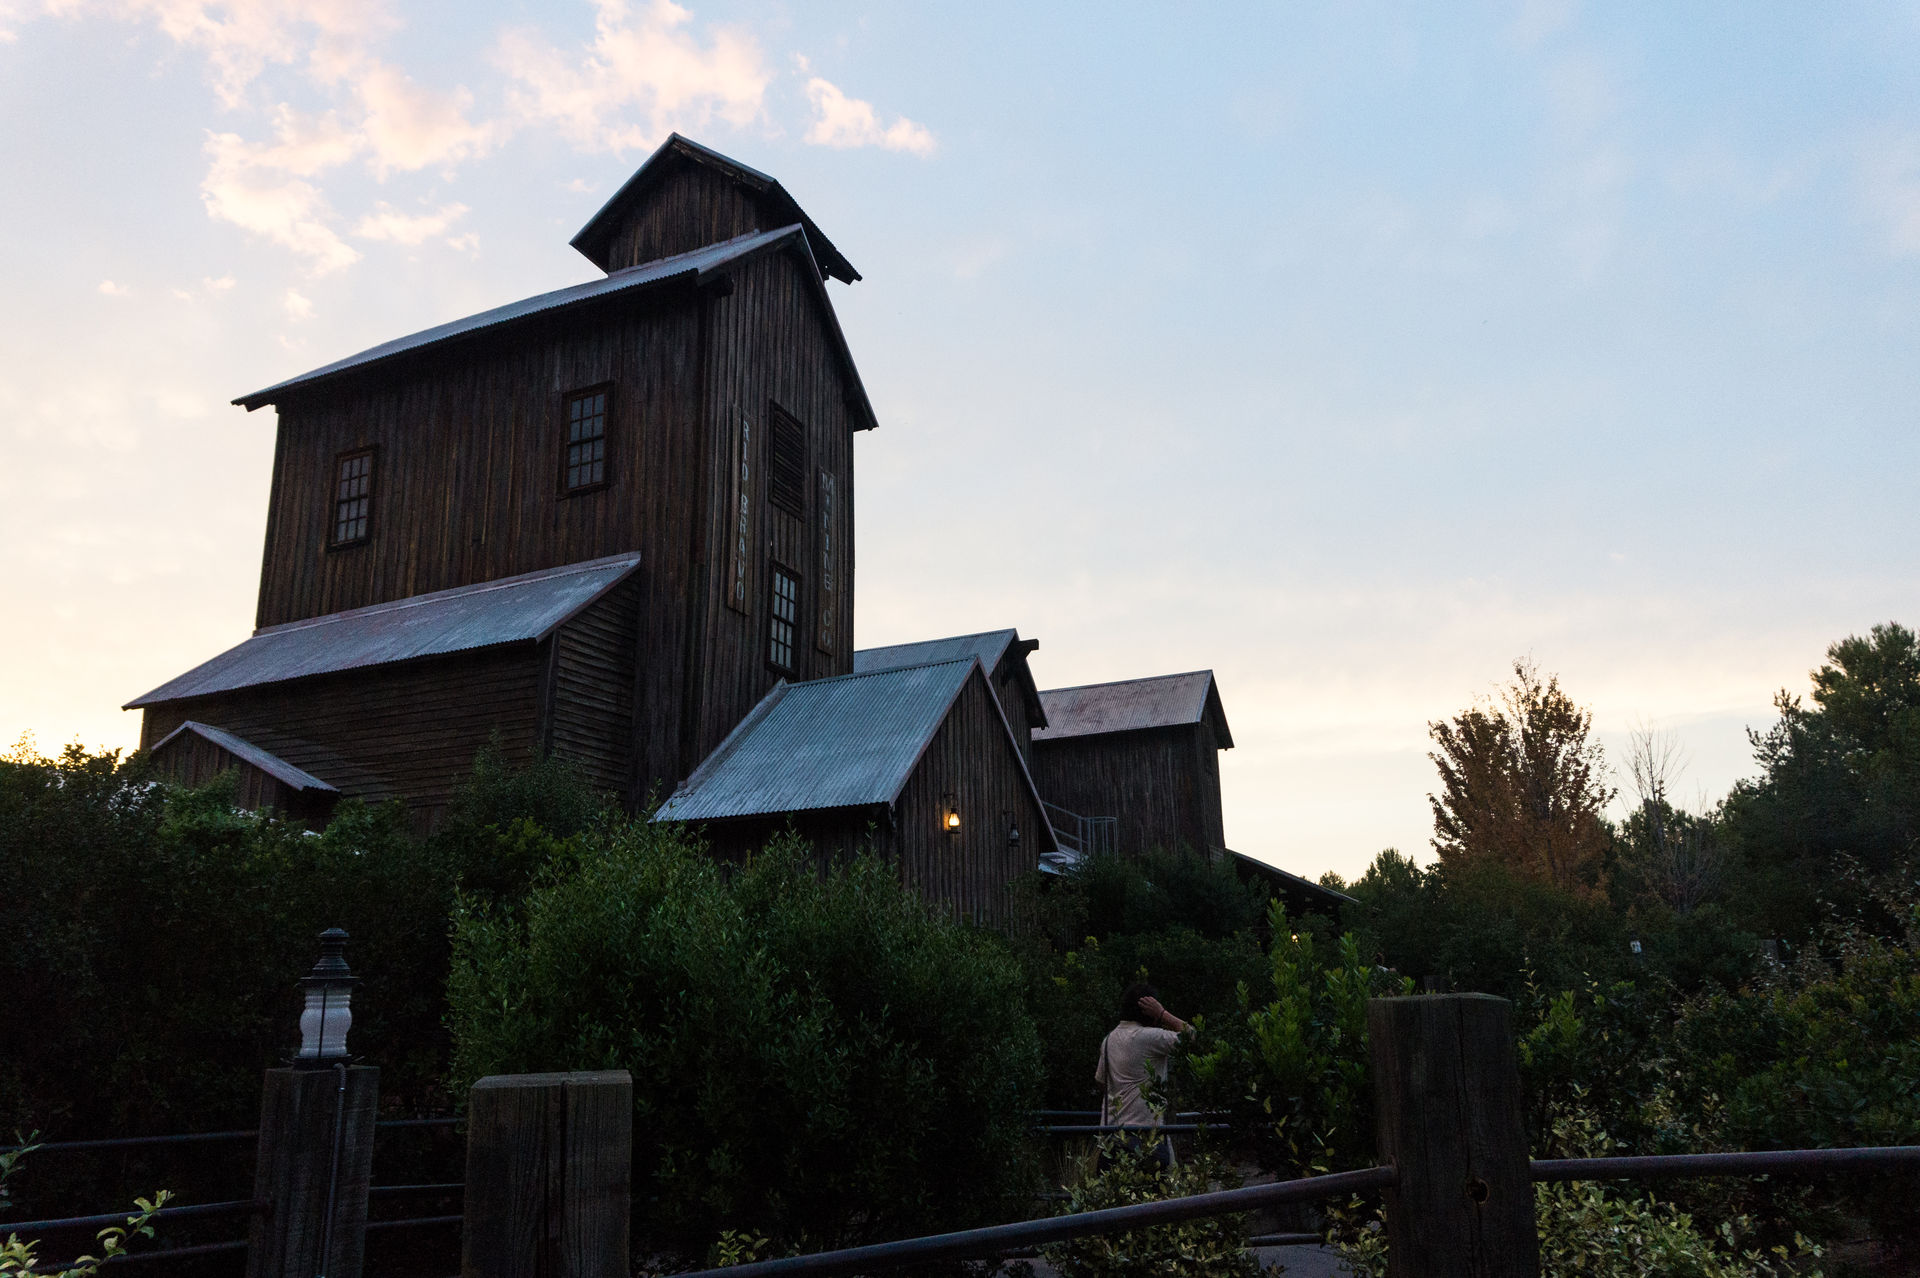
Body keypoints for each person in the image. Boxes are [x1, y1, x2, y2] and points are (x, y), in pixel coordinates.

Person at [1094, 982, 1190, 1168]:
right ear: (1149, 1011)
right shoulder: (1150, 1037)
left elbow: (1101, 1082)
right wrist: (1162, 1014)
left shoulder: (1109, 1040)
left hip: (1111, 1138)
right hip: (1146, 1138)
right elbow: (1191, 1036)